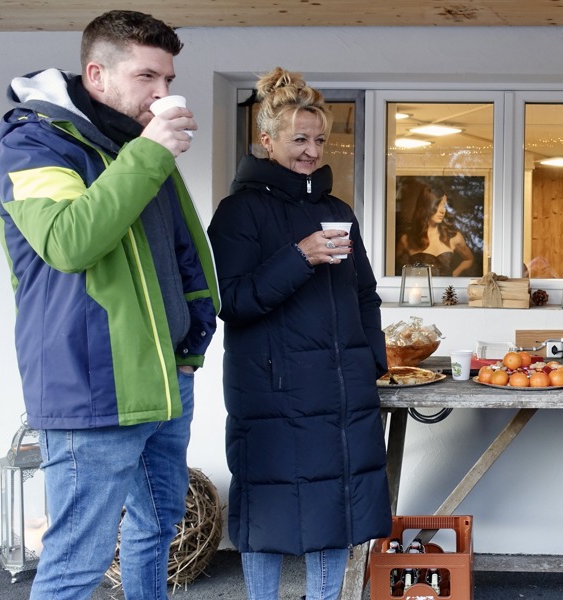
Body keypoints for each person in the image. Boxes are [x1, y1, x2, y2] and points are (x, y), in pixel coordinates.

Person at [0, 10, 218, 600]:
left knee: (156, 527)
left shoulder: (135, 147)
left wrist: (191, 344)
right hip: (92, 389)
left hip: (165, 379)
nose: (162, 93)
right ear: (97, 73)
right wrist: (149, 155)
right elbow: (69, 240)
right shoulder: (32, 142)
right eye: (147, 77)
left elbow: (180, 251)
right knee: (78, 562)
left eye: (167, 79)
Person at [207, 67, 392, 600]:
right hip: (272, 393)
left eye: (318, 139)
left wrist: (370, 360)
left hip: (339, 391)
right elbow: (233, 301)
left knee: (336, 509)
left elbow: (363, 294)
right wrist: (300, 257)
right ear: (267, 141)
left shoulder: (337, 210)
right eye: (299, 139)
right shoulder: (240, 211)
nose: (312, 151)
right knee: (266, 512)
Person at [395, 178, 476, 276]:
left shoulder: (454, 237)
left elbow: (469, 259)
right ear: (426, 206)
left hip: (447, 291)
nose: (442, 211)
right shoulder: (406, 240)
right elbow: (392, 266)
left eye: (444, 206)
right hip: (419, 290)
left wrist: (454, 274)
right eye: (437, 205)